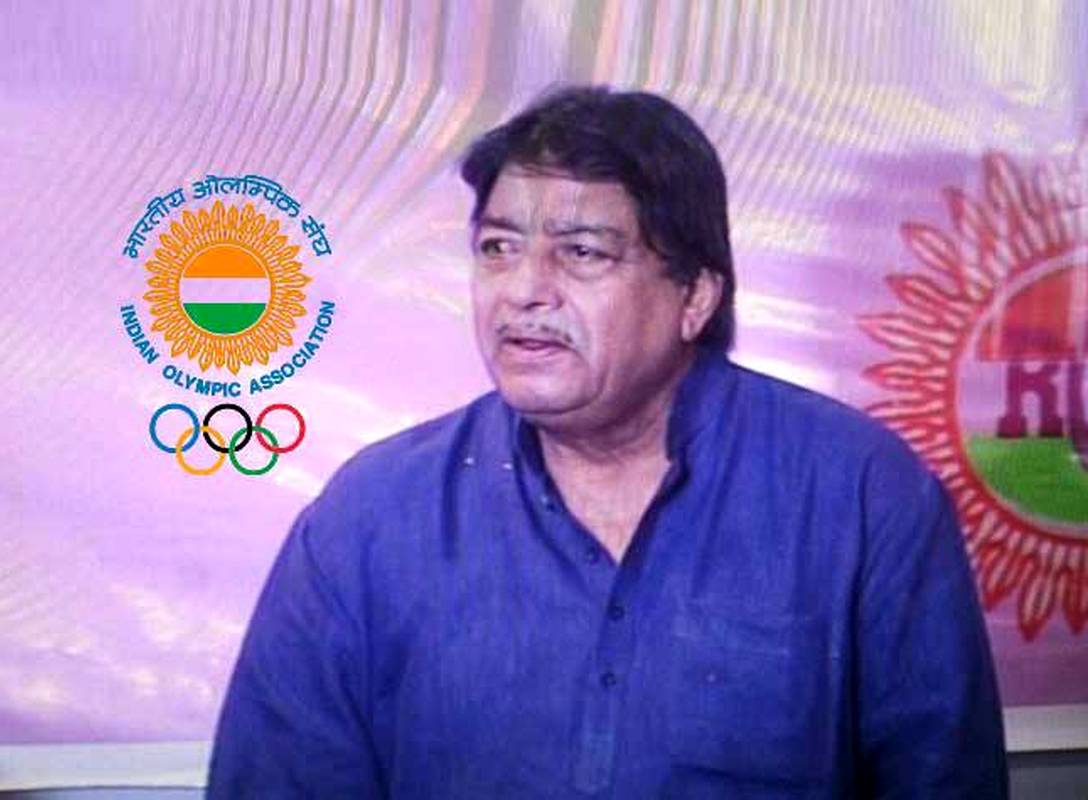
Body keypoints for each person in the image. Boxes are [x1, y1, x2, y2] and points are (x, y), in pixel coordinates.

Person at [207, 86, 1008, 798]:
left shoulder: (862, 497)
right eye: (498, 248)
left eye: (583, 252)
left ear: (694, 297)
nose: (524, 290)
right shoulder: (371, 518)